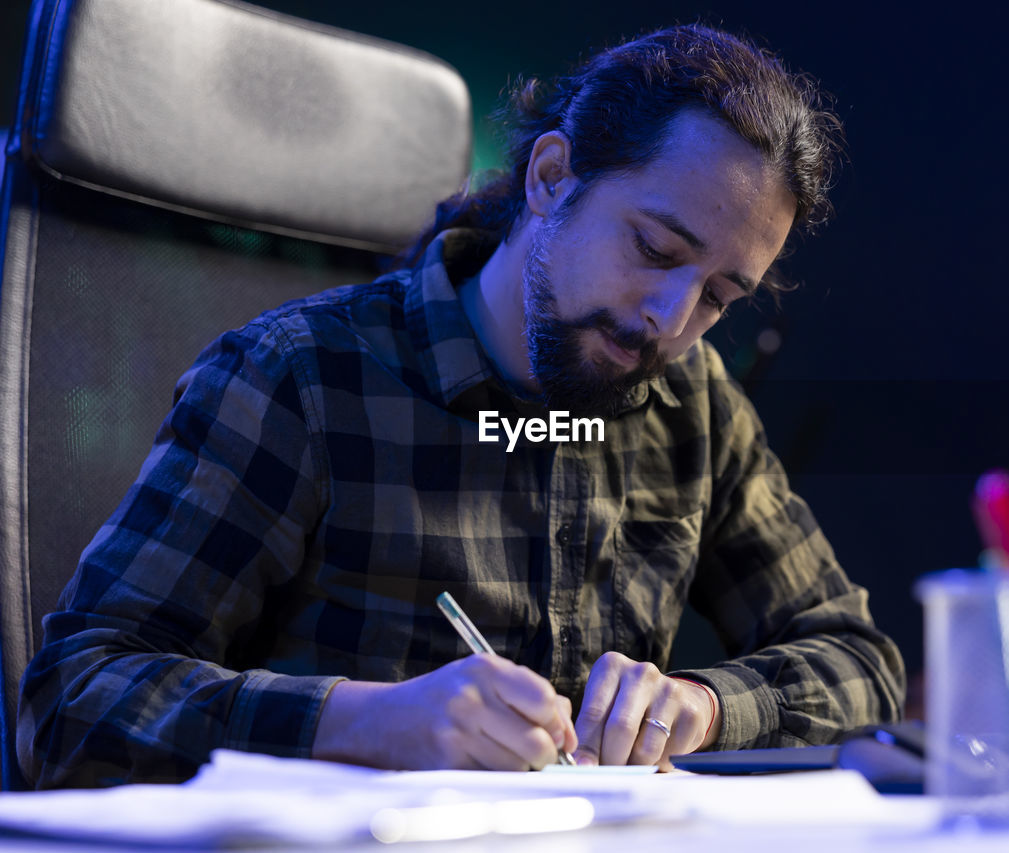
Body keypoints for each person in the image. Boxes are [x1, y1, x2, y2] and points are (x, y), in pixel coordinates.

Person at [18, 23, 905, 789]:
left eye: (719, 295)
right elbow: (68, 702)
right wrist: (365, 724)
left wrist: (704, 707)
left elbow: (860, 660)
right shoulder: (301, 377)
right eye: (653, 246)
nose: (669, 320)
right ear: (552, 178)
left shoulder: (691, 401)